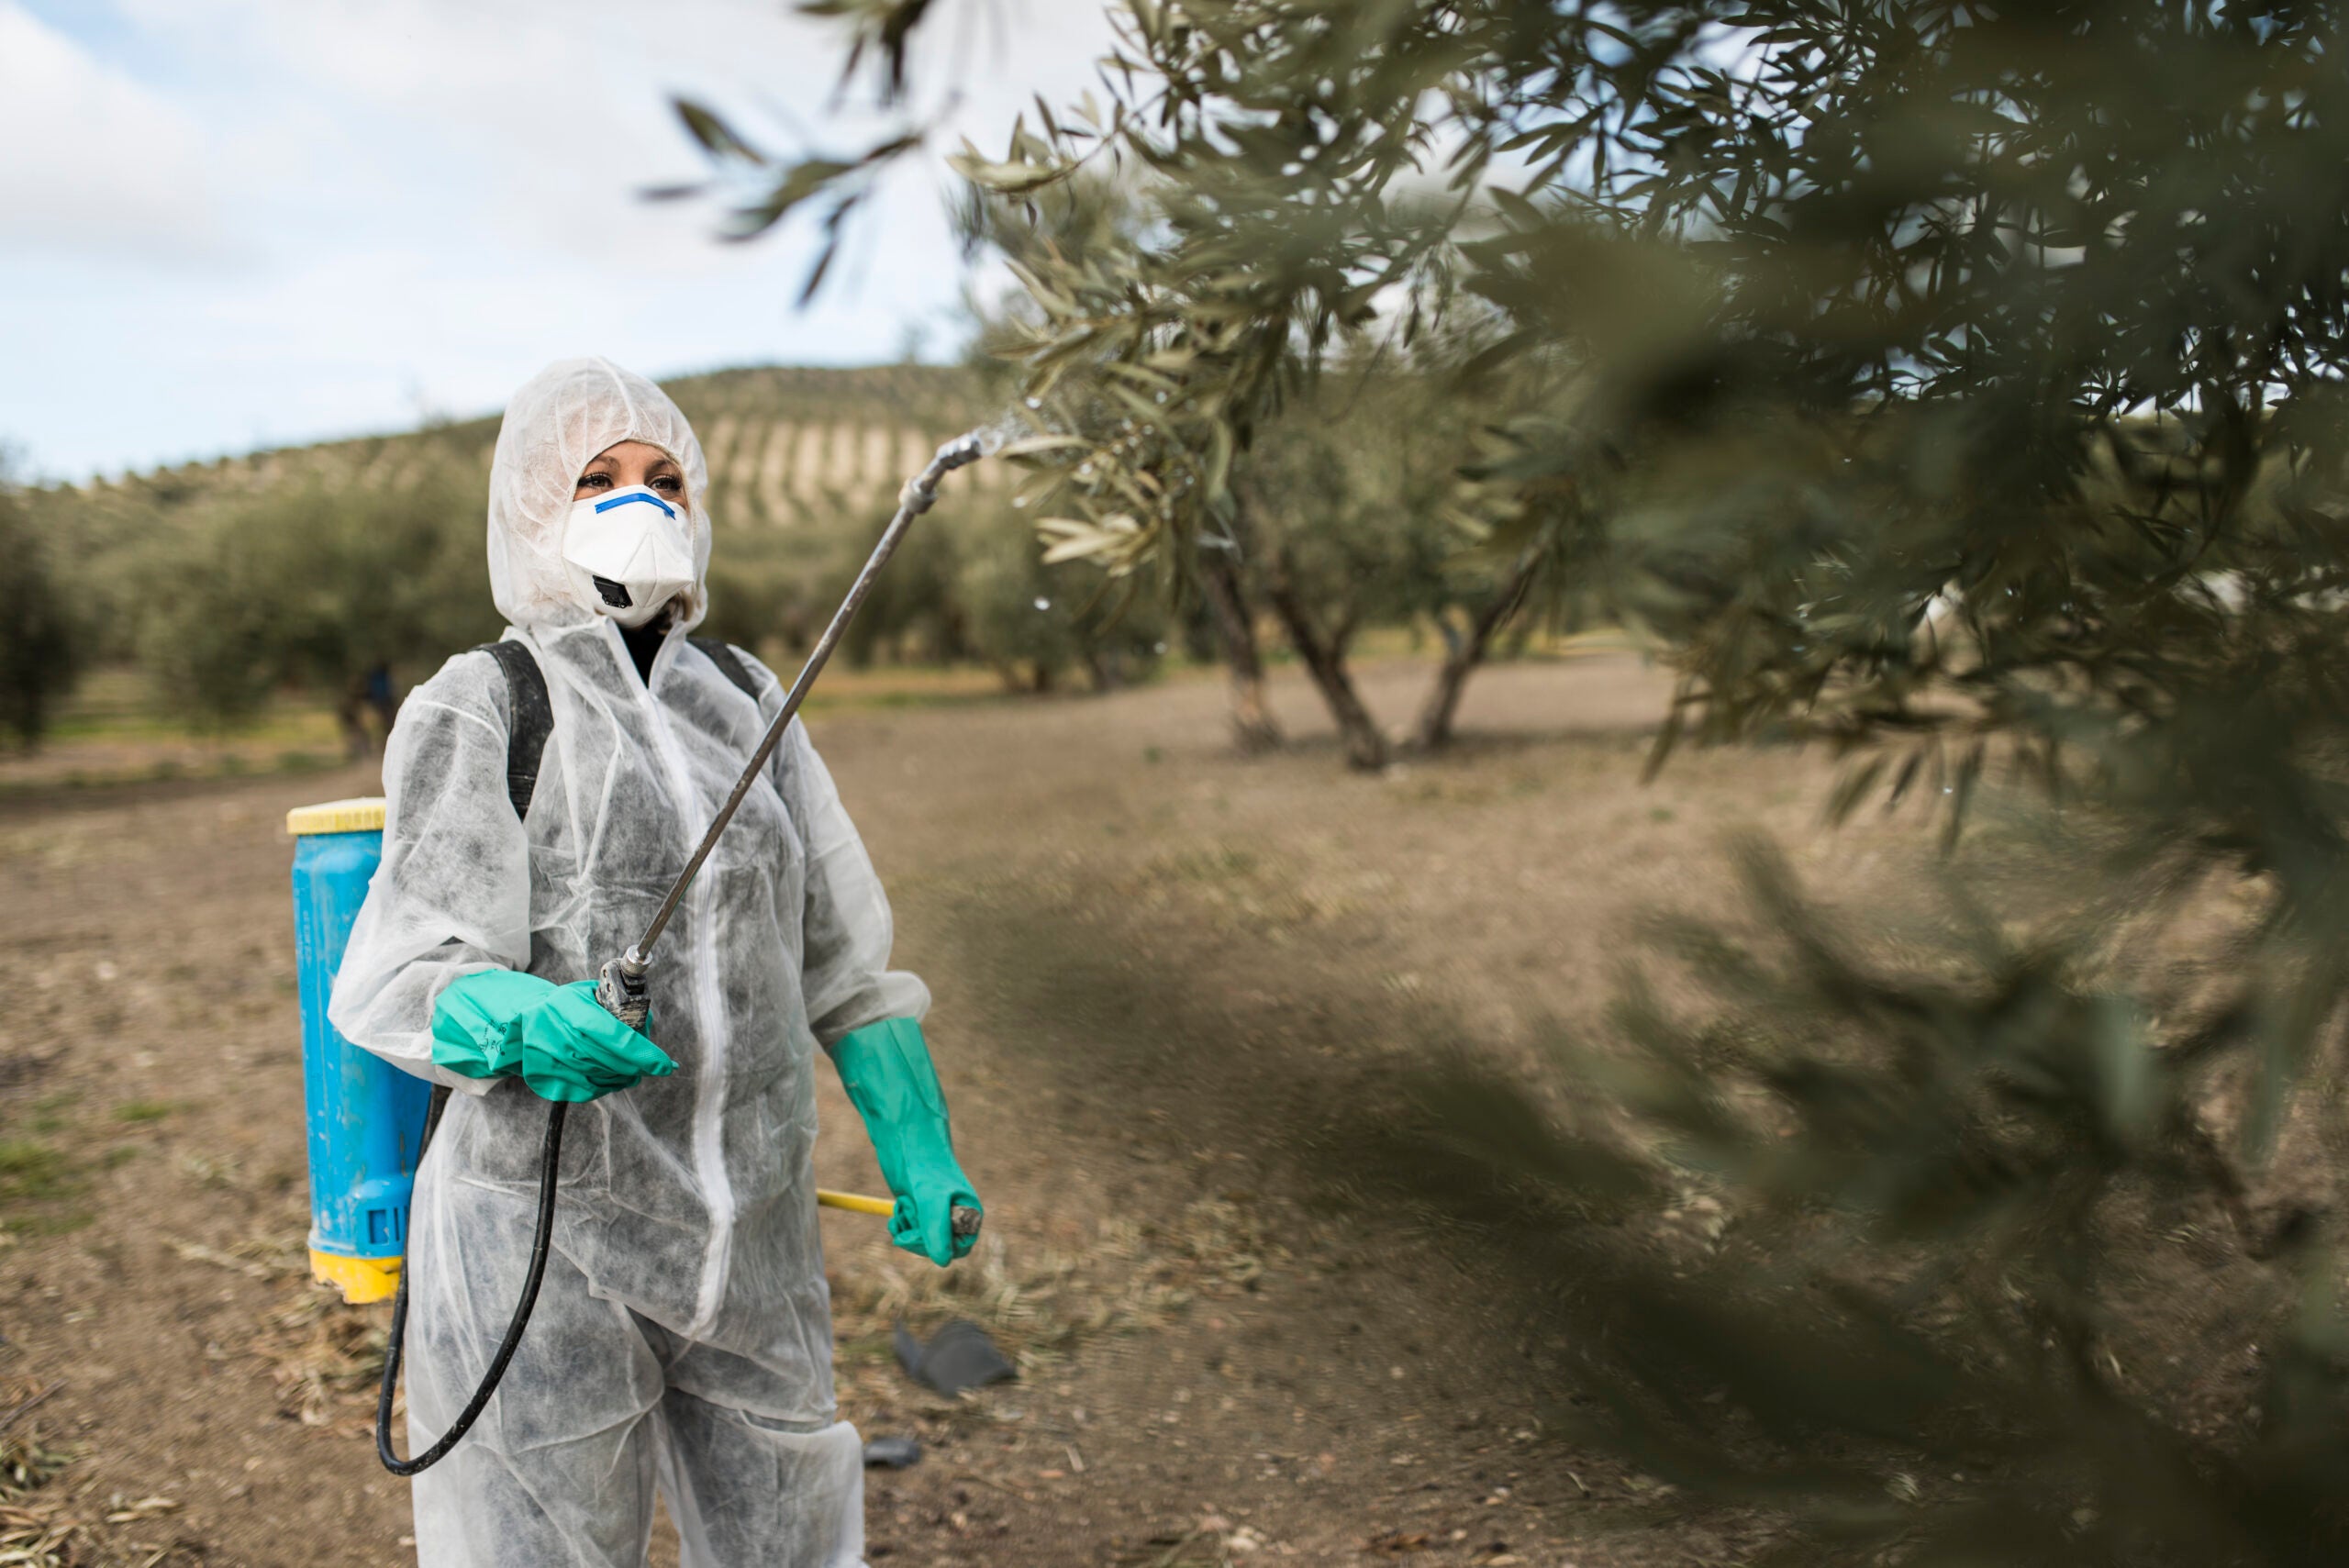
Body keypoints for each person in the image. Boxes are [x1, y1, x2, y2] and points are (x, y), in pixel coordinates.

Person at [328, 357, 981, 1567]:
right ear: (533, 507)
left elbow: (841, 952)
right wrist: (524, 1016)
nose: (643, 498)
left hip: (755, 1235)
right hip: (543, 1236)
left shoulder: (751, 701)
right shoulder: (484, 703)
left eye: (665, 475)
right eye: (600, 476)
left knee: (788, 1534)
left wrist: (916, 1135)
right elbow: (400, 961)